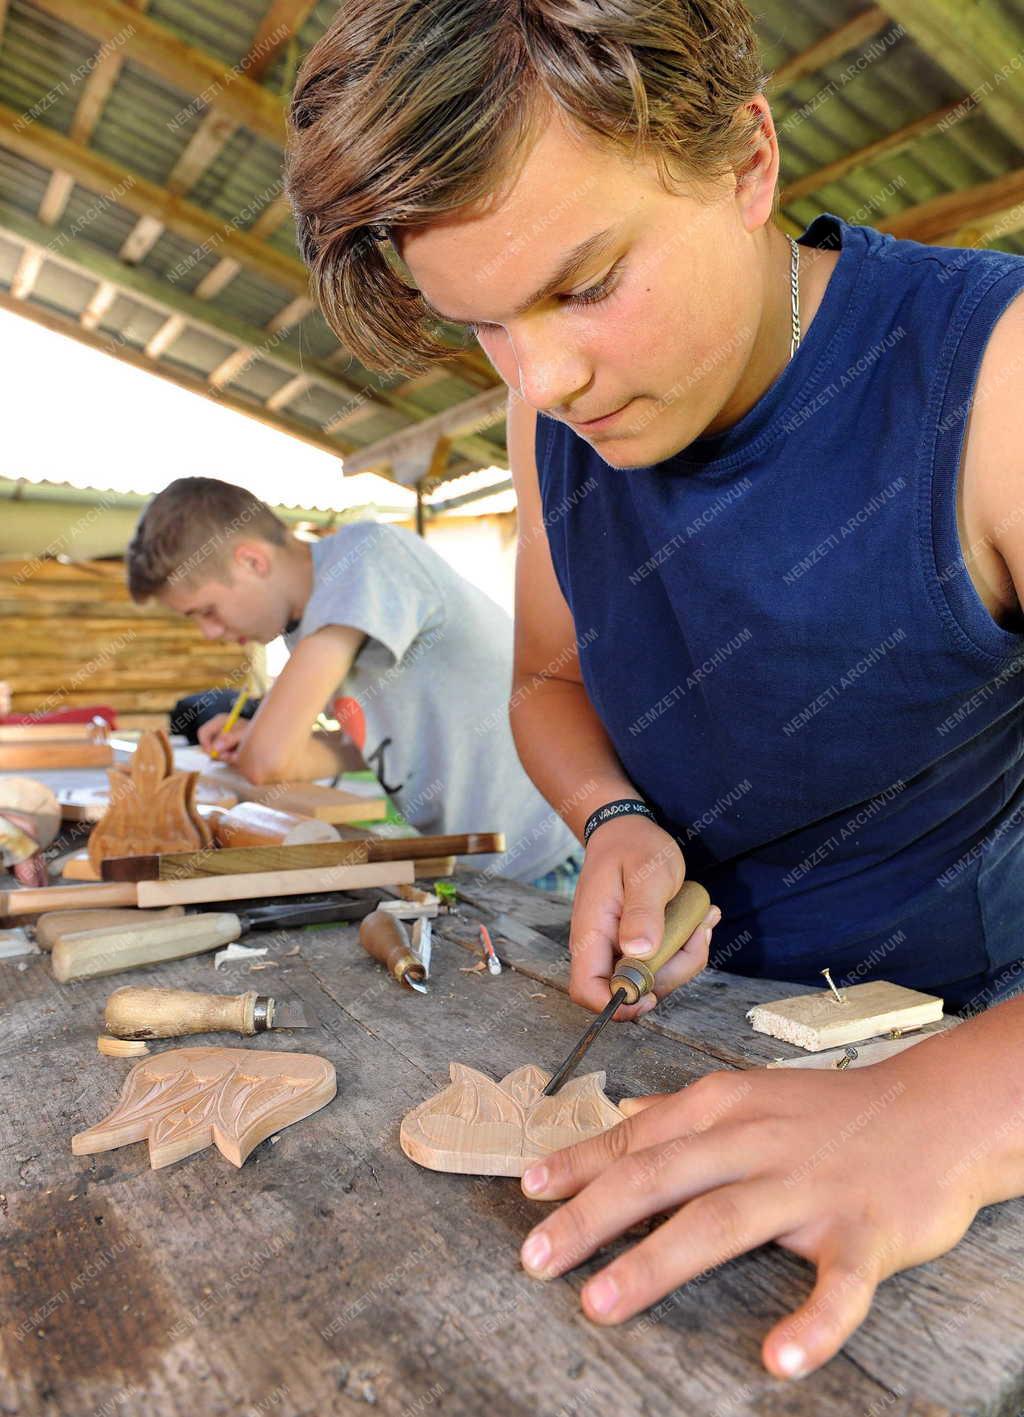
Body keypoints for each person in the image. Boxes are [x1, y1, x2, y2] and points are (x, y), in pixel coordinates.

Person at [285, 0, 1024, 1380]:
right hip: (706, 1024)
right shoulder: (544, 403)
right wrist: (615, 813)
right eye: (483, 324)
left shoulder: (994, 381)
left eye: (585, 282)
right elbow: (553, 678)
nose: (545, 377)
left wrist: (949, 1108)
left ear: (748, 164)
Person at [125, 477, 581, 888]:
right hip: (481, 863)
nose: (209, 632)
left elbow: (265, 762)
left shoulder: (368, 556)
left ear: (251, 560)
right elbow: (359, 744)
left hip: (552, 856)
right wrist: (253, 740)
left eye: (206, 611)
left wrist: (261, 743)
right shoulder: (311, 623)